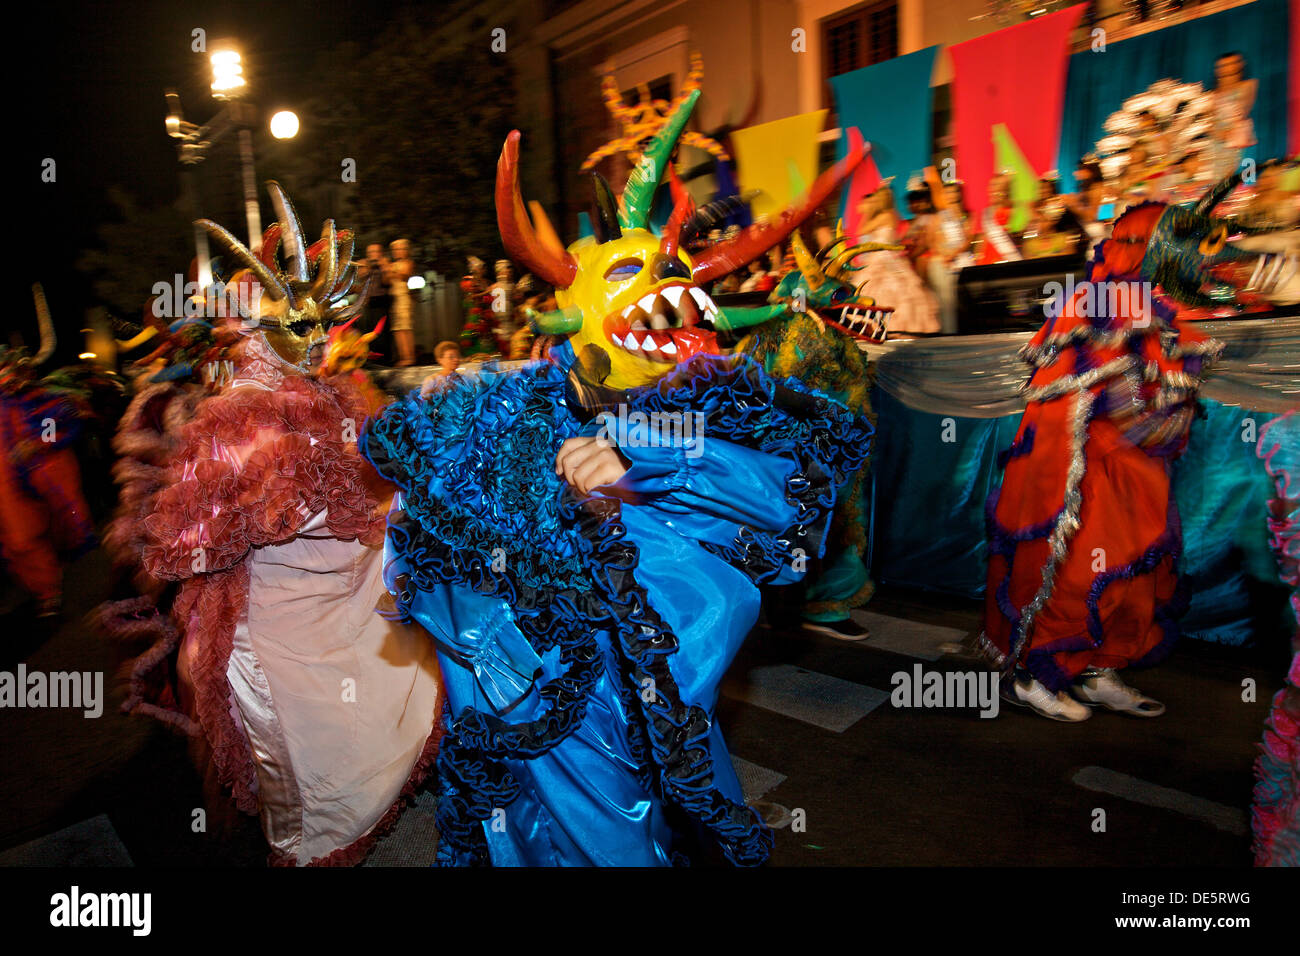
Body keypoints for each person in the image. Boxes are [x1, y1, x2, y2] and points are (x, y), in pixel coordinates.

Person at [362, 92, 873, 866]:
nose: (668, 288)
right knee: (593, 839)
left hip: (654, 698)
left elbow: (783, 504)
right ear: (577, 308)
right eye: (637, 271)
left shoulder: (704, 409)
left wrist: (646, 460)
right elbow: (434, 557)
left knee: (635, 821)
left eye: (672, 272)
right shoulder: (511, 412)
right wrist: (510, 662)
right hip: (561, 701)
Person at [101, 186, 444, 864]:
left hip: (345, 598)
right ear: (256, 329)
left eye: (321, 323)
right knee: (320, 754)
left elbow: (371, 478)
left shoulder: (326, 396)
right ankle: (316, 839)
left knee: (389, 700)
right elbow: (176, 547)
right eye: (299, 323)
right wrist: (270, 512)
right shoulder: (233, 422)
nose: (317, 339)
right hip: (283, 627)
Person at [982, 176, 1247, 721]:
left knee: (1132, 574)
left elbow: (1168, 391)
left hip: (1139, 471)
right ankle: (1033, 672)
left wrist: (1156, 415)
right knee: (1076, 570)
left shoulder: (1162, 309)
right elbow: (1064, 395)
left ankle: (1098, 667)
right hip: (1087, 470)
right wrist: (1126, 410)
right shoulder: (1092, 303)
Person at [851, 184, 940, 334]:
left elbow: (861, 230)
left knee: (880, 291)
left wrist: (867, 212)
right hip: (889, 256)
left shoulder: (884, 216)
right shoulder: (893, 214)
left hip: (881, 258)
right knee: (899, 292)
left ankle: (884, 326)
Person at [1209, 51, 1257, 179]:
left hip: (1241, 141)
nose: (1228, 68)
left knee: (1246, 180)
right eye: (1223, 66)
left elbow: (1244, 107)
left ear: (1240, 65)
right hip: (1218, 145)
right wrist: (1216, 132)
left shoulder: (1248, 85)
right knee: (1220, 184)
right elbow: (1210, 121)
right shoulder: (1211, 95)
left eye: (1233, 63)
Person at [977, 173, 1022, 265]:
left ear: (1006, 190)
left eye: (998, 185)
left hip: (1009, 257)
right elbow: (984, 238)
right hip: (989, 259)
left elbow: (1017, 234)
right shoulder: (986, 212)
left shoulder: (1014, 210)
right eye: (992, 185)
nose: (993, 189)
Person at [388, 239, 416, 367]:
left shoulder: (407, 263)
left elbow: (403, 275)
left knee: (405, 327)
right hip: (394, 298)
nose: (398, 252)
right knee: (397, 329)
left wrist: (388, 269)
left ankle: (410, 356)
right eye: (395, 249)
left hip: (403, 297)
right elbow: (386, 279)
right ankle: (403, 355)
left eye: (400, 249)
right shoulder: (392, 265)